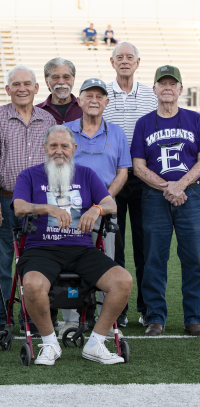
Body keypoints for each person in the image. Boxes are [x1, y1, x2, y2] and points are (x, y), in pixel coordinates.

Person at [12, 125, 133, 365]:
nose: (59, 151)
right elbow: (19, 207)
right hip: (42, 249)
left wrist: (96, 208)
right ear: (45, 148)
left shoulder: (86, 174)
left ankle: (96, 343)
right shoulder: (29, 175)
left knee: (123, 280)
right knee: (33, 284)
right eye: (53, 146)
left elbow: (111, 205)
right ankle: (50, 344)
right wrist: (48, 208)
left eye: (64, 146)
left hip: (81, 248)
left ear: (74, 149)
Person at [0, 65, 56, 335]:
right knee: (0, 264)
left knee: (37, 265)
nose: (22, 88)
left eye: (27, 84)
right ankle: (3, 318)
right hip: (4, 201)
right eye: (16, 84)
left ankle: (32, 318)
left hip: (38, 208)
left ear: (36, 88)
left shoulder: (48, 121)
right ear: (8, 89)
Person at [131, 66, 200, 337]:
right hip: (154, 196)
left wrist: (181, 184)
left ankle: (194, 317)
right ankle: (155, 317)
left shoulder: (195, 119)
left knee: (194, 256)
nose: (168, 88)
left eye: (173, 83)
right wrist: (167, 186)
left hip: (191, 194)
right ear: (155, 89)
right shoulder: (144, 123)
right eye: (163, 83)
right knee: (154, 258)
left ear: (181, 89)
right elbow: (138, 166)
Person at [62, 78, 131, 335]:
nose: (93, 100)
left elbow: (123, 171)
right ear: (78, 100)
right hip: (72, 209)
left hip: (103, 210)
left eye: (99, 96)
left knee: (106, 264)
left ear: (106, 102)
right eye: (88, 95)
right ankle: (69, 320)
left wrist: (105, 199)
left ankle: (104, 321)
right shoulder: (65, 130)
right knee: (69, 265)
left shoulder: (117, 132)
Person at [103, 42, 158, 327]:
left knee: (145, 246)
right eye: (119, 57)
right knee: (115, 246)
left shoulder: (151, 95)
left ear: (138, 62)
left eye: (129, 57)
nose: (124, 61)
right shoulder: (102, 94)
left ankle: (148, 310)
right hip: (113, 178)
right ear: (111, 62)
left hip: (143, 178)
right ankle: (118, 310)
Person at [36, 58, 83, 125]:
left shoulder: (85, 110)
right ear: (47, 82)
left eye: (66, 77)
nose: (61, 82)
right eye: (55, 77)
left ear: (73, 80)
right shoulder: (36, 113)